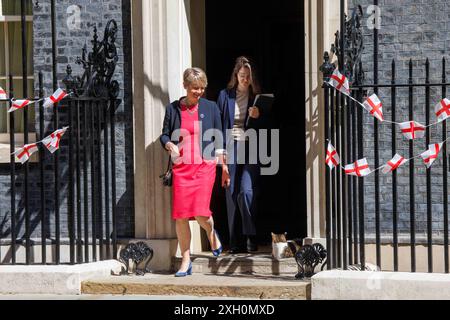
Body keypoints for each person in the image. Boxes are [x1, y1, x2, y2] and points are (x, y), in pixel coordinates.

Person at [160, 67, 229, 277]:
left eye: (201, 88)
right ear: (185, 86)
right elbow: (164, 135)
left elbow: (219, 140)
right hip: (181, 168)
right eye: (194, 88)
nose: (198, 92)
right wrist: (169, 144)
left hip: (204, 166)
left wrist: (224, 167)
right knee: (181, 216)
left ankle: (210, 231)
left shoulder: (210, 107)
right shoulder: (173, 109)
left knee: (200, 212)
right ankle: (186, 260)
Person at [217, 56, 263, 254]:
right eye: (242, 76)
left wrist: (258, 117)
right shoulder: (224, 96)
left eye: (248, 77)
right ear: (236, 75)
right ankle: (235, 242)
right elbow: (218, 126)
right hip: (230, 146)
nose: (245, 80)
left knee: (246, 192)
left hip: (252, 147)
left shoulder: (257, 97)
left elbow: (270, 127)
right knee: (232, 194)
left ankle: (250, 235)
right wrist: (222, 157)